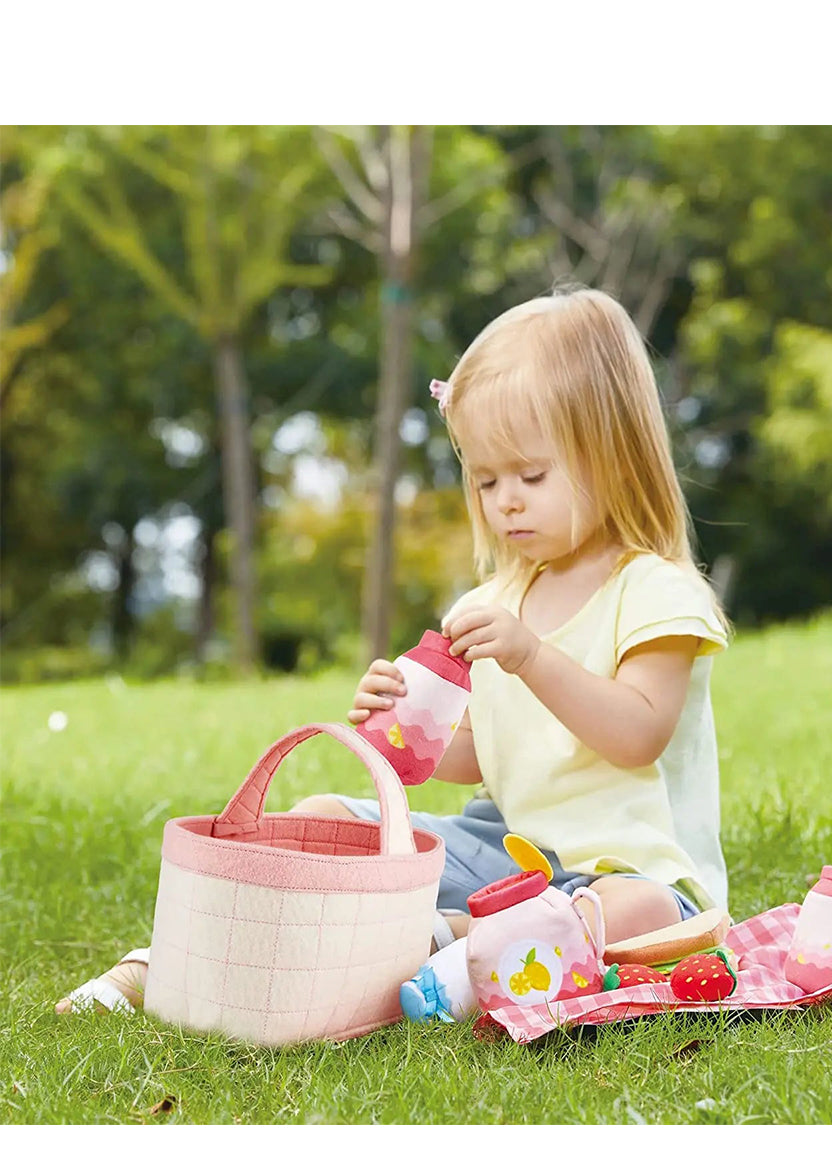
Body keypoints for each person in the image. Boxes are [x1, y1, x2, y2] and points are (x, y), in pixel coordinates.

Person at [56, 283, 730, 1015]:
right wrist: (402, 725)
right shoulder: (489, 604)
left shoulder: (656, 591)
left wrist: (533, 657)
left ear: (617, 458)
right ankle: (174, 960)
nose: (505, 499)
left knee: (648, 918)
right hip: (506, 846)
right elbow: (474, 755)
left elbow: (637, 735)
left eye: (532, 475)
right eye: (484, 478)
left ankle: (429, 944)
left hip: (625, 867)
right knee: (323, 815)